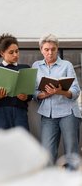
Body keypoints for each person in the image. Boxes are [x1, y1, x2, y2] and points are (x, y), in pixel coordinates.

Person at [32, 34, 81, 167]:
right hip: (48, 115)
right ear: (41, 49)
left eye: (53, 49)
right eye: (47, 49)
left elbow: (76, 91)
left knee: (71, 151)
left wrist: (59, 91)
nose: (50, 52)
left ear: (57, 49)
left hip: (68, 113)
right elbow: (33, 92)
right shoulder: (36, 66)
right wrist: (44, 94)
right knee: (47, 152)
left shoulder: (66, 65)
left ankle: (73, 181)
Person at [0, 33, 32, 130]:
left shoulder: (25, 68)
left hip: (20, 112)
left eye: (17, 51)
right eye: (11, 52)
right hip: (0, 112)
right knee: (0, 142)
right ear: (2, 53)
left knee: (21, 142)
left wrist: (26, 97)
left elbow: (30, 94)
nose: (15, 55)